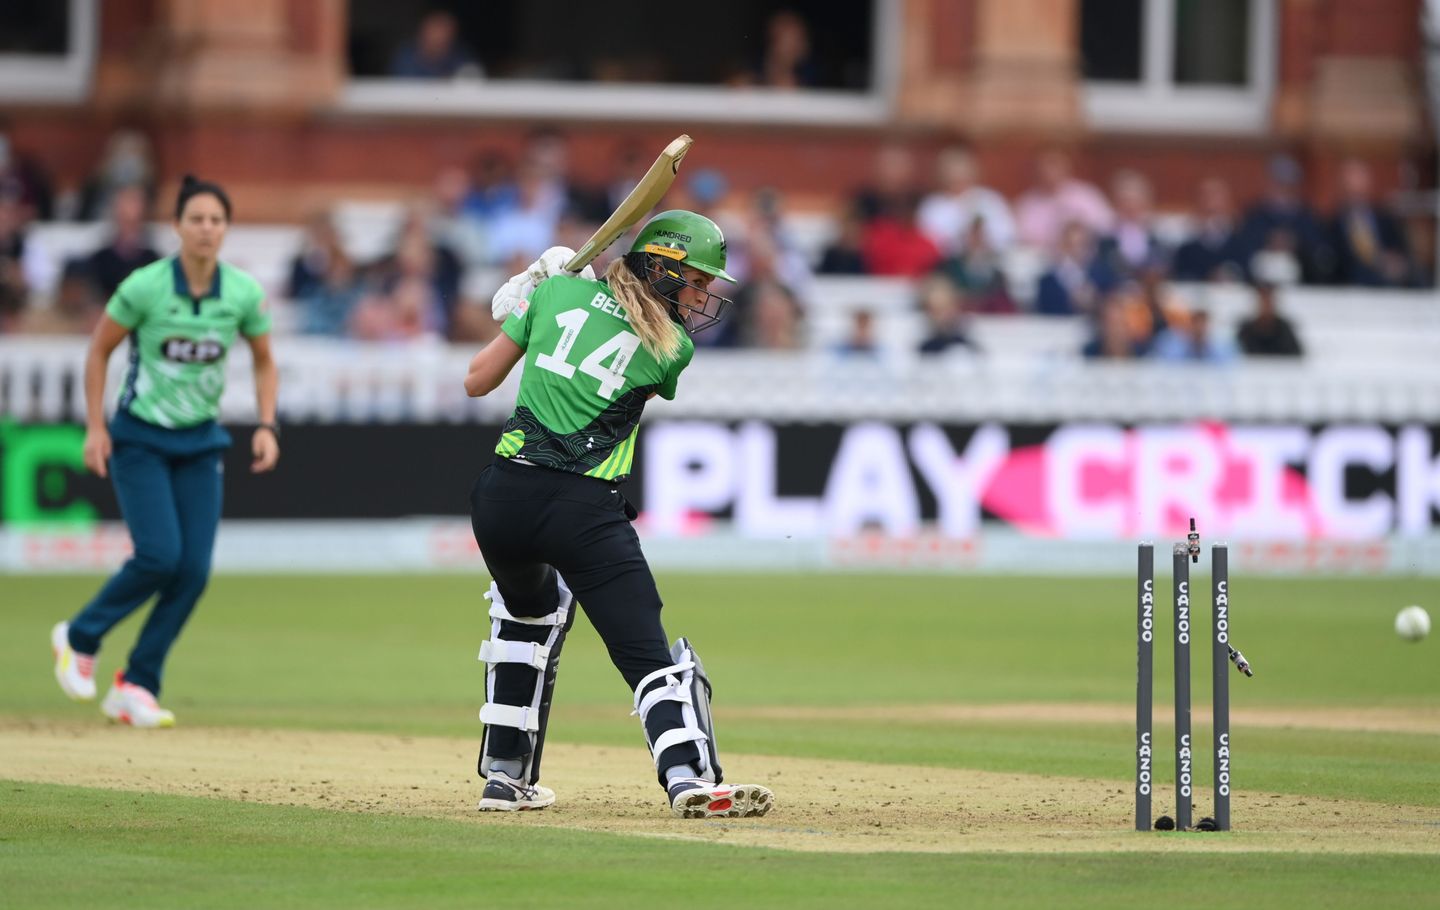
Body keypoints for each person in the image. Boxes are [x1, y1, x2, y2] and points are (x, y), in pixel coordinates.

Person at [466, 211, 774, 819]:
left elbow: (476, 381)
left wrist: (530, 298)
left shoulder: (556, 291)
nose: (703, 296)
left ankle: (504, 779)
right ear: (660, 268)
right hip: (582, 510)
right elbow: (624, 335)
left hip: (500, 501)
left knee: (529, 615)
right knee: (646, 654)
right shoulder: (673, 349)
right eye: (697, 282)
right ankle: (688, 777)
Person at [49, 176, 280, 727]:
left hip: (201, 442)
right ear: (177, 226)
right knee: (159, 556)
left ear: (226, 228)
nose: (206, 229)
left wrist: (268, 424)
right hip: (140, 439)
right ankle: (79, 635)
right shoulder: (144, 287)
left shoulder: (242, 293)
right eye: (196, 219)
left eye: (216, 220)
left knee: (193, 571)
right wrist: (94, 427)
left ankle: (136, 684)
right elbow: (99, 352)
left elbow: (265, 360)